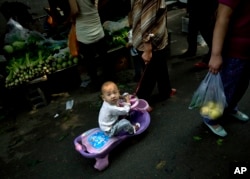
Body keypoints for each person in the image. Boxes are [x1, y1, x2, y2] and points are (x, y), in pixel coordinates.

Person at [203, 0, 250, 137]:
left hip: (247, 51)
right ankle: (210, 118)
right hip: (234, 50)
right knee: (225, 87)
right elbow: (222, 18)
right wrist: (215, 54)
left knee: (241, 85)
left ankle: (230, 108)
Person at [129, 0, 176, 105]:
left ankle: (165, 91)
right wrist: (148, 49)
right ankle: (140, 103)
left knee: (161, 65)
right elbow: (147, 23)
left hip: (154, 39)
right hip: (150, 42)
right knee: (149, 74)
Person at [68, 0, 115, 89]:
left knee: (89, 60)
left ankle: (96, 84)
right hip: (96, 25)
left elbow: (75, 10)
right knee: (104, 56)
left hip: (83, 30)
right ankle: (110, 79)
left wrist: (69, 19)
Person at [180, 0, 218, 69]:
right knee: (192, 30)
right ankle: (191, 50)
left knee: (206, 32)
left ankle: (210, 57)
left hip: (206, 8)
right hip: (195, 6)